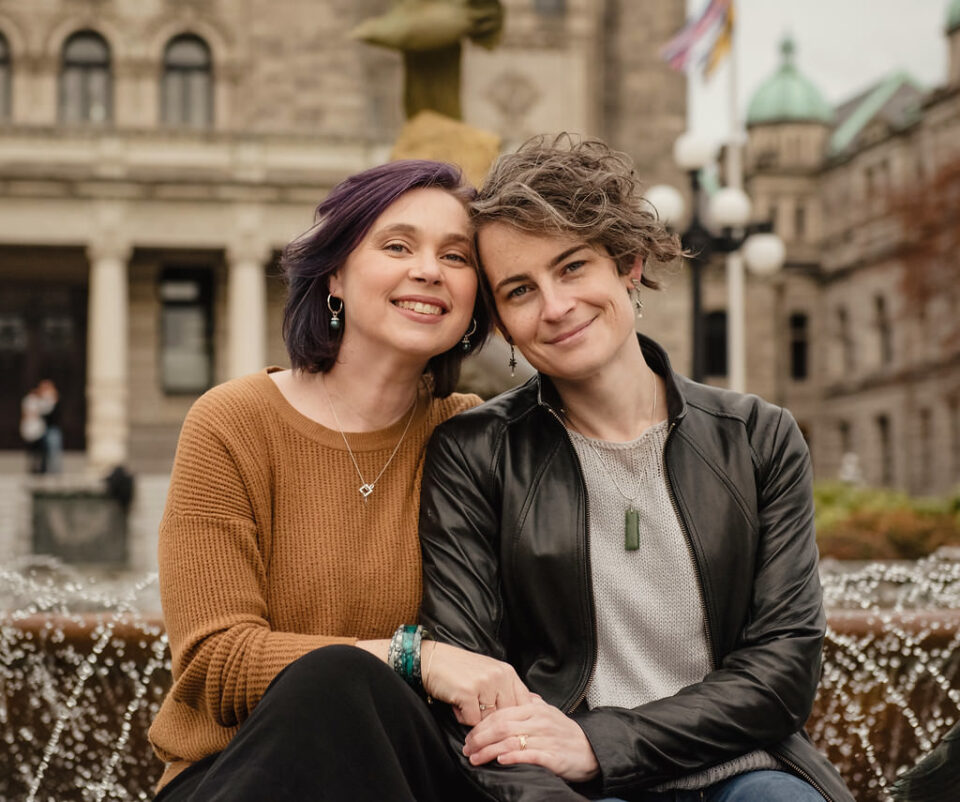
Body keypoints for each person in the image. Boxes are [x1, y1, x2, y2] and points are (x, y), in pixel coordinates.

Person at [415, 135, 855, 801]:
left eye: (572, 268)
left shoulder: (758, 437)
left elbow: (782, 671)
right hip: (575, 788)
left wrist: (601, 741)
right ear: (502, 323)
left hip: (742, 771)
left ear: (626, 262)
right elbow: (473, 685)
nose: (556, 307)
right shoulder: (475, 454)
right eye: (520, 290)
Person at [148, 159, 507, 801]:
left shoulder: (475, 435)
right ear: (335, 274)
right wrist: (413, 657)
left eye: (456, 257)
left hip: (404, 770)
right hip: (240, 771)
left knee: (341, 683)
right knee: (331, 680)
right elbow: (214, 664)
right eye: (397, 245)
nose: (428, 269)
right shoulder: (233, 422)